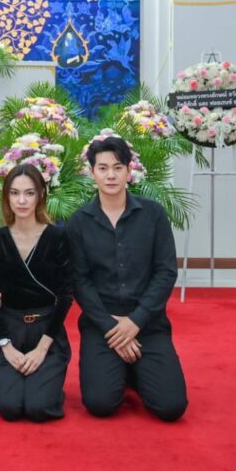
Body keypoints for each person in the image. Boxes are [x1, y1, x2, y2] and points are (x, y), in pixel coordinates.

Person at [66, 136, 188, 422]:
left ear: (129, 171)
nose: (110, 175)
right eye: (103, 168)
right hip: (102, 326)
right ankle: (124, 367)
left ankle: (135, 371)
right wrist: (113, 328)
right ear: (92, 172)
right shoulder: (78, 222)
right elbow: (80, 282)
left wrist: (135, 322)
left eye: (118, 167)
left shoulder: (153, 215)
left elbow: (166, 272)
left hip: (148, 323)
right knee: (100, 404)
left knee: (171, 407)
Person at [0, 164, 73, 421]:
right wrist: (5, 345)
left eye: (29, 193)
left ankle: (47, 387)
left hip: (47, 328)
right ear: (7, 197)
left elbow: (66, 295)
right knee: (9, 407)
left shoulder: (58, 237)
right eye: (15, 193)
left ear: (41, 195)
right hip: (8, 327)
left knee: (38, 408)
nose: (21, 200)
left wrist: (42, 348)